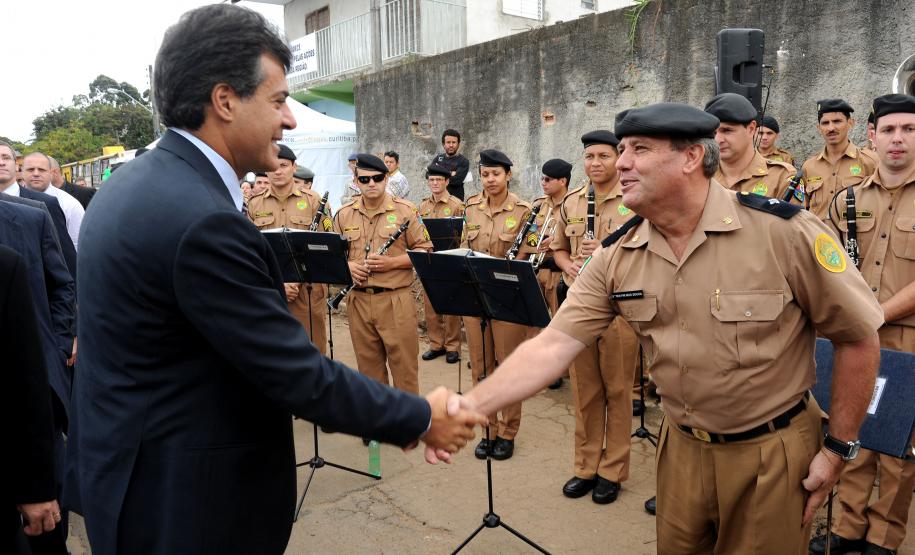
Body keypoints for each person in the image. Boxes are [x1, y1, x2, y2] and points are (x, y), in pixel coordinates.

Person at [64, 6, 486, 554]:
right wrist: (420, 417)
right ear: (225, 101)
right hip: (185, 508)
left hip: (131, 484)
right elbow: (295, 373)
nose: (289, 121)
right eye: (279, 100)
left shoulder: (130, 185)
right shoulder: (201, 218)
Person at [442, 102, 885, 554]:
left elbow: (858, 336)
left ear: (690, 157)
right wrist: (469, 405)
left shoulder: (783, 232)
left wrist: (838, 448)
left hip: (771, 452)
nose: (621, 162)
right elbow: (552, 346)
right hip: (681, 449)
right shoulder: (618, 254)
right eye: (622, 149)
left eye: (639, 149)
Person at [811, 93, 915, 555]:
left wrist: (877, 314)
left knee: (899, 442)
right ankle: (847, 525)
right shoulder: (846, 201)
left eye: (909, 129)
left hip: (907, 338)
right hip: (855, 336)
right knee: (851, 426)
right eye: (889, 129)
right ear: (872, 135)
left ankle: (884, 535)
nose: (898, 138)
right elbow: (829, 267)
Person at [550, 131, 638, 504]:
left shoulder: (635, 197)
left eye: (604, 156)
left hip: (619, 310)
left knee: (617, 392)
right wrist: (567, 263)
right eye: (589, 157)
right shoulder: (572, 201)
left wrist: (605, 251)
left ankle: (612, 470)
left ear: (618, 157)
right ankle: (586, 466)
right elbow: (557, 248)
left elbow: (649, 251)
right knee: (585, 391)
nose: (595, 163)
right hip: (579, 308)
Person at [0, 199, 75, 555]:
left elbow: (63, 284)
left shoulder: (31, 217)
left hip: (34, 385)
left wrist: (59, 343)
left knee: (46, 524)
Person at [333, 154, 432, 400]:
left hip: (395, 300)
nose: (371, 184)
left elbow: (425, 251)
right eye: (364, 179)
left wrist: (392, 263)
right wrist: (347, 267)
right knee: (369, 373)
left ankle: (408, 419)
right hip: (358, 301)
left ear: (386, 178)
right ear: (356, 181)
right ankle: (378, 419)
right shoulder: (344, 214)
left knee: (404, 370)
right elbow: (332, 256)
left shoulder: (406, 210)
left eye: (377, 178)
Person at [461, 149, 535, 461]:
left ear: (508, 175)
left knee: (508, 367)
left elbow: (528, 257)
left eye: (496, 174)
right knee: (481, 367)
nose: (490, 180)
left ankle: (507, 431)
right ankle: (487, 430)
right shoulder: (470, 207)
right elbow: (464, 247)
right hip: (476, 299)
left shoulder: (524, 210)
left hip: (507, 300)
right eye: (485, 174)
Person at [247, 143, 331, 354]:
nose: (277, 171)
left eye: (283, 165)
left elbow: (326, 247)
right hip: (270, 291)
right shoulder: (254, 204)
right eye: (273, 166)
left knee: (312, 353)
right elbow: (251, 251)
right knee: (273, 354)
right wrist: (278, 282)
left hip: (307, 292)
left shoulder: (314, 202)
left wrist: (296, 278)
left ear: (294, 167)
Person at [0, 142, 76, 278]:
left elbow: (65, 260)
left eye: (6, 157)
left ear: (16, 165)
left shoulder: (45, 204)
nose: (1, 163)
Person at [704, 93, 799, 202]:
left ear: (751, 129)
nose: (718, 140)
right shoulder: (699, 174)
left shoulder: (782, 177)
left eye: (727, 130)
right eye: (713, 132)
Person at [530, 158, 571, 390]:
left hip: (558, 273)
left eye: (548, 179)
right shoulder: (538, 205)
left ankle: (558, 370)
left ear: (562, 181)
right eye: (542, 178)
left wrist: (555, 241)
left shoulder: (573, 204)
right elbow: (530, 233)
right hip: (538, 271)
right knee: (537, 322)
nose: (543, 183)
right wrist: (536, 240)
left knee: (558, 324)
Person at [418, 161, 464, 365]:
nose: (435, 183)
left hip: (450, 260)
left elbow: (463, 234)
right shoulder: (422, 206)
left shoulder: (457, 205)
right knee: (431, 305)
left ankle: (453, 346)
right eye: (431, 180)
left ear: (447, 181)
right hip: (429, 260)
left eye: (439, 179)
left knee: (451, 306)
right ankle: (436, 344)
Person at [801, 99, 878, 220]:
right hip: (818, 231)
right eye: (825, 123)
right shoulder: (809, 166)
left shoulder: (870, 161)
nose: (831, 128)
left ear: (850, 123)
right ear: (819, 128)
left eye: (837, 121)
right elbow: (802, 210)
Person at [21, 152, 85, 250]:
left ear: (51, 173)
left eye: (42, 170)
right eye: (30, 169)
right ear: (22, 172)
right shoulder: (9, 200)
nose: (36, 174)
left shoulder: (69, 204)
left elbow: (77, 244)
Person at [433, 129, 471, 200]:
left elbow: (457, 181)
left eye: (454, 142)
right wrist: (450, 173)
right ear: (443, 144)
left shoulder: (463, 161)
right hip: (438, 199)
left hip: (456, 200)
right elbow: (429, 176)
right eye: (448, 142)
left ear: (458, 144)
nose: (451, 145)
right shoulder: (438, 159)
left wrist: (439, 174)